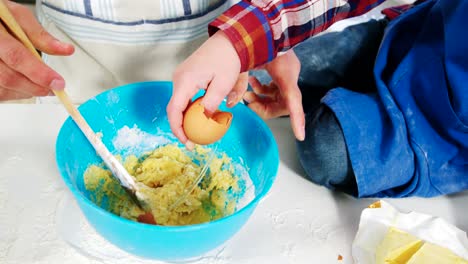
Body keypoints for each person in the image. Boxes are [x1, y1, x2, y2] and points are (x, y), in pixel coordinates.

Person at [168, 0, 468, 198]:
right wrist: (241, 40)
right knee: (271, 71)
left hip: (438, 136)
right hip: (410, 40)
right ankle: (347, 99)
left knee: (322, 148)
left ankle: (349, 107)